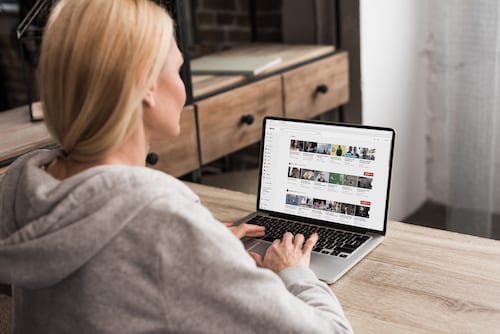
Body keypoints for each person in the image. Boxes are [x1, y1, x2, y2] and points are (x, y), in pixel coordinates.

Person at [0, 1, 352, 333]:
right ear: (148, 85)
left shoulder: (25, 187)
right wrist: (295, 274)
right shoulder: (162, 222)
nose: (183, 87)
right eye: (177, 68)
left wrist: (203, 250)